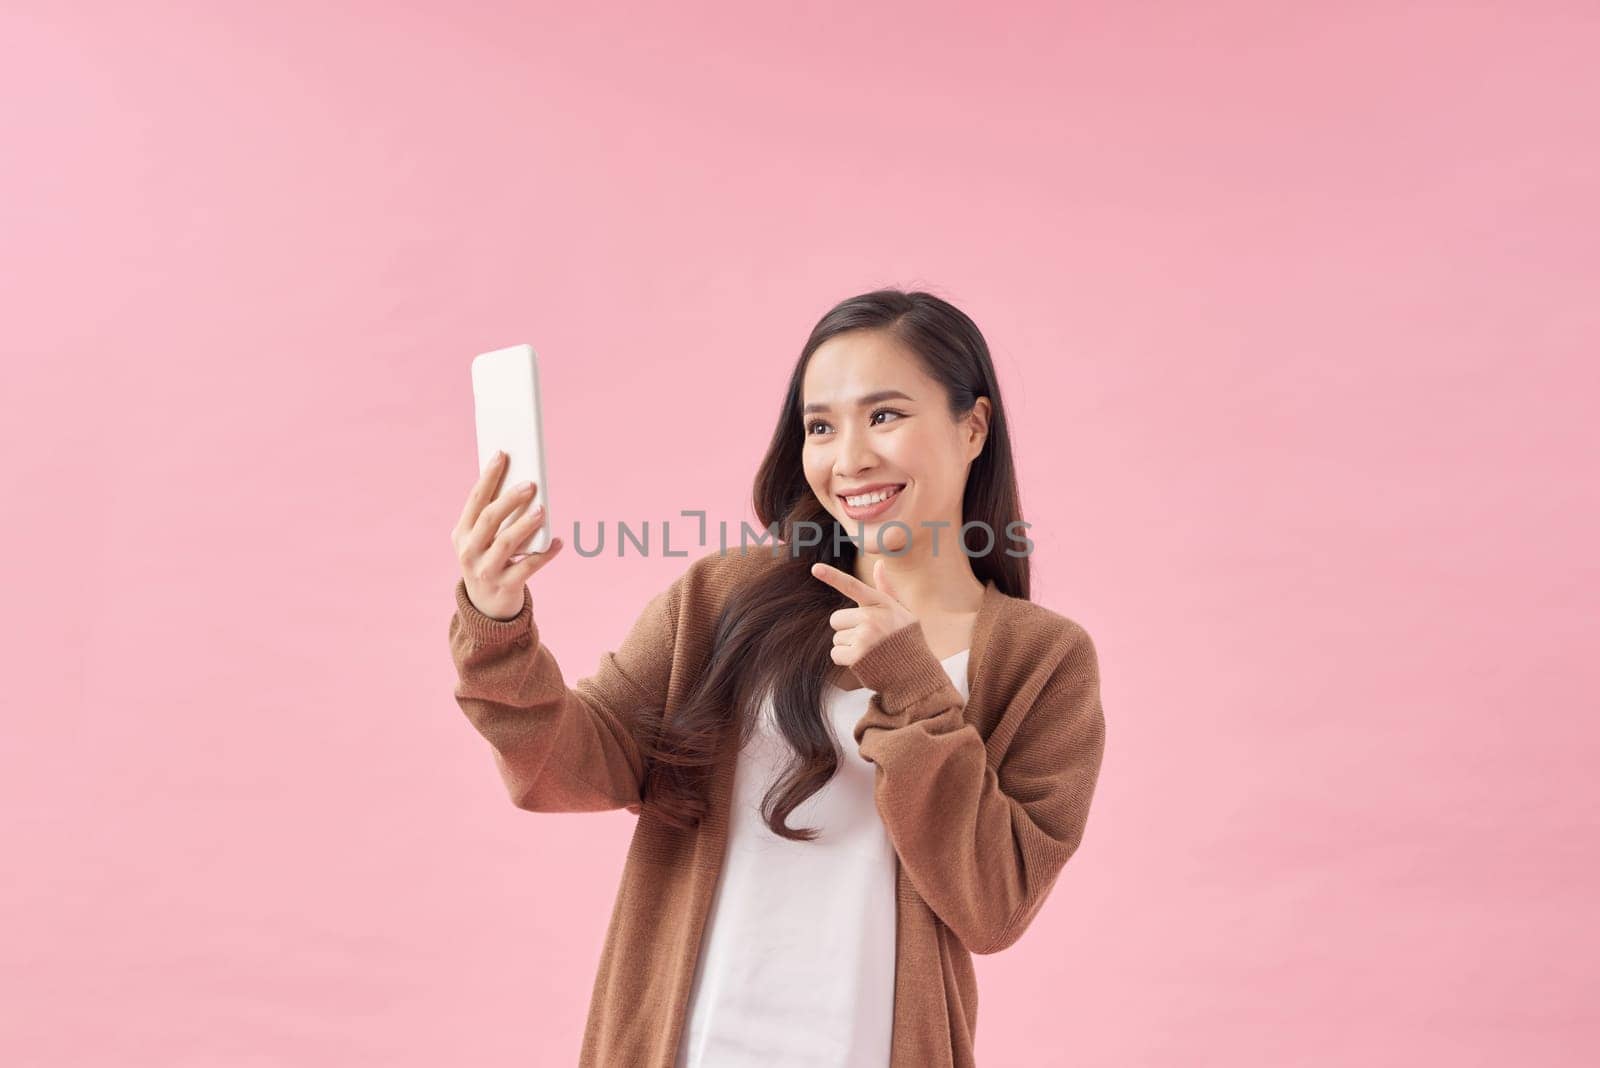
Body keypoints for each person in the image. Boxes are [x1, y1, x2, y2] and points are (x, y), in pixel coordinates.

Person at [447, 287, 1108, 1067]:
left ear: (973, 426)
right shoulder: (725, 600)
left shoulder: (1044, 662)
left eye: (885, 416)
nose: (849, 457)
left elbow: (994, 907)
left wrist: (912, 684)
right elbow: (563, 767)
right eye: (820, 426)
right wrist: (498, 621)